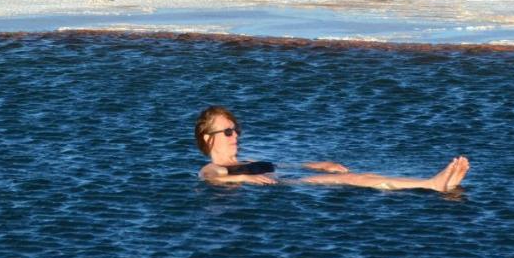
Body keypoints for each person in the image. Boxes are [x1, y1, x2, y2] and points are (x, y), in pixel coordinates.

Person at [195, 105, 468, 192]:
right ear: (209, 139)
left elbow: (284, 166)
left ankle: (431, 183)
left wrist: (318, 165)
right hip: (291, 187)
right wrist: (244, 178)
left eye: (236, 130)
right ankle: (431, 184)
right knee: (353, 179)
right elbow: (211, 179)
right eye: (228, 131)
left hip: (292, 179)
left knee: (363, 175)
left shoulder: (248, 159)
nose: (235, 136)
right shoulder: (213, 168)